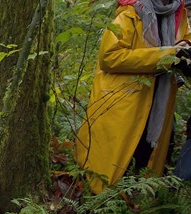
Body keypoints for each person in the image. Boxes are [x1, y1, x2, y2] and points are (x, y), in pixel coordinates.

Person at [74, 0, 191, 194]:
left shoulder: (177, 13)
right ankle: (100, 200)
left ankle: (135, 205)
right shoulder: (131, 13)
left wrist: (184, 48)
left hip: (157, 100)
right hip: (124, 100)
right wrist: (166, 55)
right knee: (113, 160)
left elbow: (184, 39)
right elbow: (109, 57)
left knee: (145, 155)